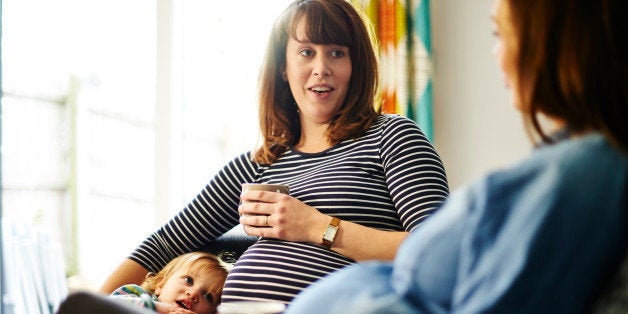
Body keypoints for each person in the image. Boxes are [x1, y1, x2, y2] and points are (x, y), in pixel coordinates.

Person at [99, 0, 449, 306]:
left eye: (337, 52)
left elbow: (442, 254)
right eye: (306, 52)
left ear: (355, 66)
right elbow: (161, 246)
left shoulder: (392, 137)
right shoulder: (257, 165)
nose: (321, 67)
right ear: (283, 68)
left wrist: (315, 226)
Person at [286, 0, 628, 312]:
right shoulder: (574, 170)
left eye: (500, 33)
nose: (496, 54)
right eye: (305, 52)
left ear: (554, 44)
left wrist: (320, 228)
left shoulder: (575, 179)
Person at [109, 252, 228, 314]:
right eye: (189, 280)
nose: (194, 293)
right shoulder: (138, 294)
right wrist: (163, 309)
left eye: (208, 296)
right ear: (161, 284)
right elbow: (111, 305)